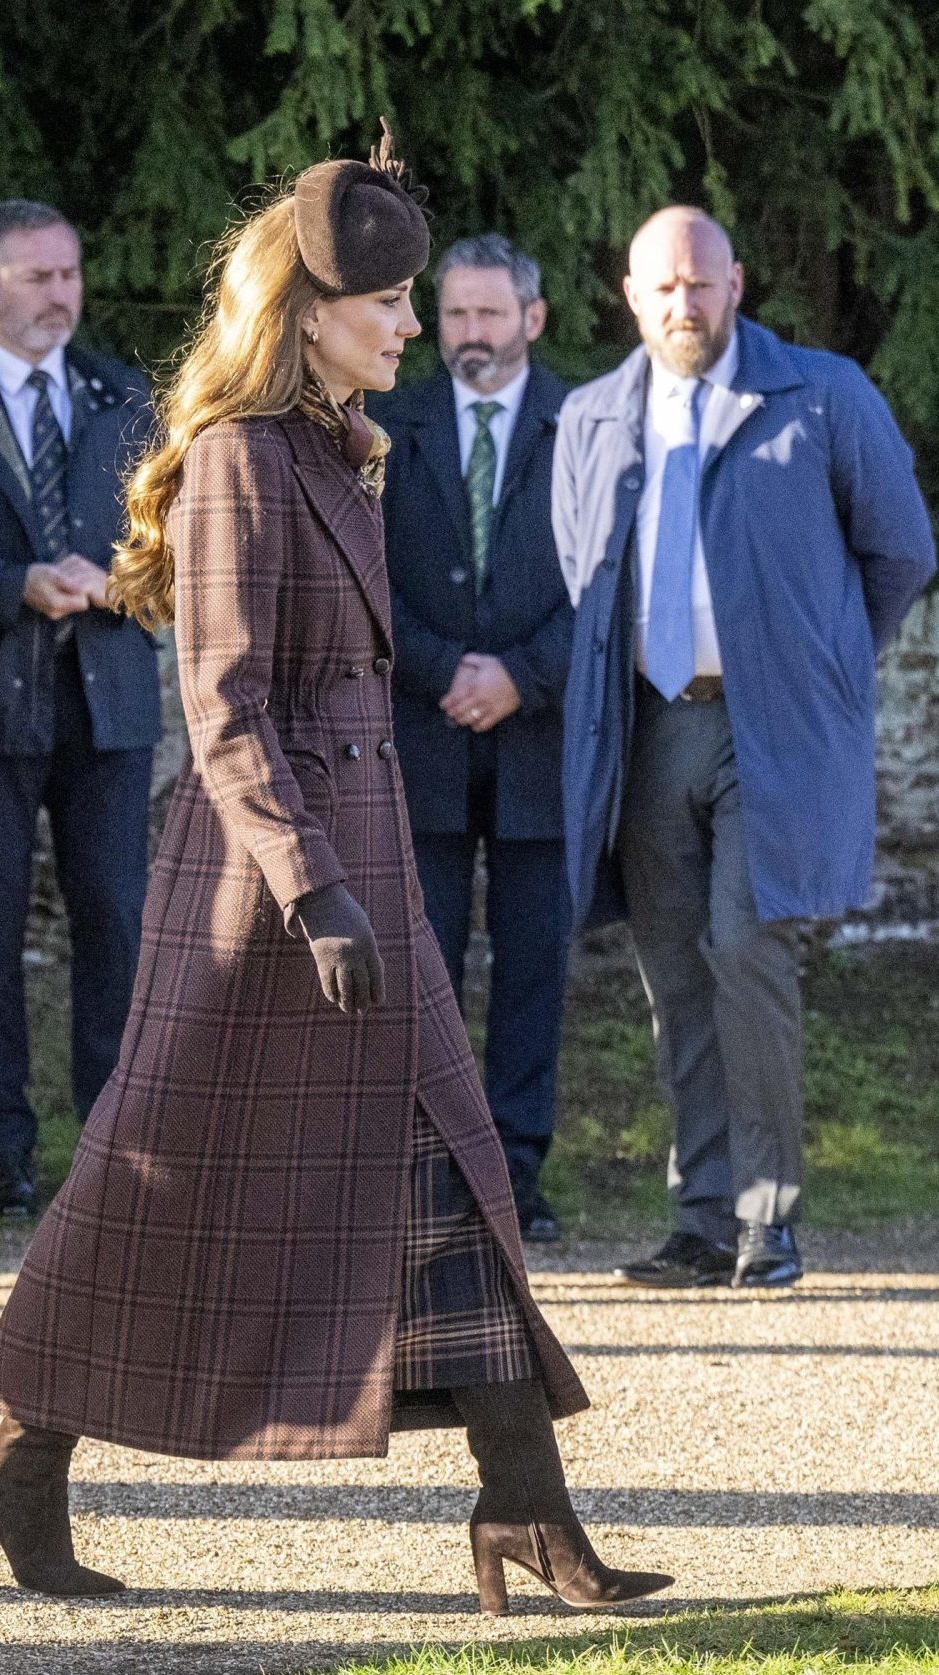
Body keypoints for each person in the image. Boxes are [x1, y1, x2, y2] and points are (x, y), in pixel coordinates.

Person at [0, 134, 672, 1619]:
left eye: (415, 301)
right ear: (304, 310)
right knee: (158, 1190)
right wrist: (312, 889)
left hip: (360, 878)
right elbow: (225, 705)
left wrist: (355, 888)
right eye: (387, 304)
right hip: (265, 894)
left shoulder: (341, 448)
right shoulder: (238, 459)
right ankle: (24, 1461)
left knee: (459, 1182)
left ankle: (529, 1512)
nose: (413, 327)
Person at [557, 208, 936, 1291]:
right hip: (648, 723)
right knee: (672, 972)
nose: (685, 304)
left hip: (768, 728)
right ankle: (700, 1215)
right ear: (630, 295)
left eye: (703, 283)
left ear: (737, 285)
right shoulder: (590, 418)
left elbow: (901, 550)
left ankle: (767, 1220)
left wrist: (823, 665)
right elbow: (582, 580)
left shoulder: (819, 396)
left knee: (746, 950)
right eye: (663, 287)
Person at [0, 199, 158, 1219]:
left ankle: (112, 1151)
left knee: (116, 922)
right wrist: (9, 583)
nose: (59, 294)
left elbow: (175, 538)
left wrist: (123, 578)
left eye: (67, 274)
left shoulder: (121, 394)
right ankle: (4, 1156)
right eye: (36, 277)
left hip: (106, 700)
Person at [369, 234, 573, 1244]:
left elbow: (608, 583)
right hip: (426, 730)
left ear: (532, 319)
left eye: (491, 315)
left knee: (535, 969)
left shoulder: (583, 425)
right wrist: (444, 668)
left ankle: (517, 1177)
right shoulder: (387, 425)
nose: (471, 335)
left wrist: (523, 677)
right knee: (426, 968)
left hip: (542, 742)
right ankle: (436, 1181)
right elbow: (366, 581)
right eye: (454, 315)